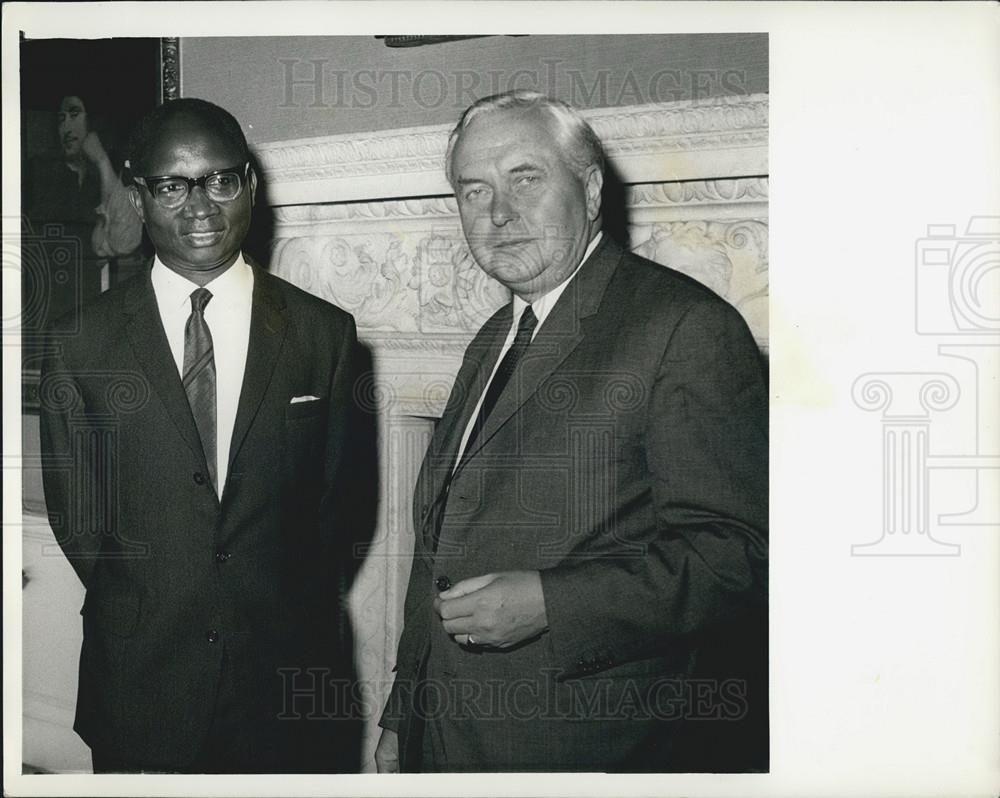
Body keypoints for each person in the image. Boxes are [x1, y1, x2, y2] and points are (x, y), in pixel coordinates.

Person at [375, 91, 769, 772]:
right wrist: (403, 717)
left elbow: (739, 558)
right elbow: (440, 545)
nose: (499, 213)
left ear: (589, 190)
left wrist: (553, 604)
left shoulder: (685, 328)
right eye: (475, 190)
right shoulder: (494, 338)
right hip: (449, 738)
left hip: (588, 748)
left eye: (525, 178)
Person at [39, 97, 366, 773]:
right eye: (172, 185)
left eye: (221, 180)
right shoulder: (82, 341)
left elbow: (341, 510)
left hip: (287, 689)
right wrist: (160, 594)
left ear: (249, 183)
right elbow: (80, 520)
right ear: (136, 195)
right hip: (141, 685)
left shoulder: (323, 335)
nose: (201, 207)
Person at [23, 93, 143, 344]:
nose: (65, 127)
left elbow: (124, 241)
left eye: (74, 115)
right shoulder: (41, 173)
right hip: (44, 316)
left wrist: (101, 162)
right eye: (60, 119)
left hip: (88, 314)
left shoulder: (100, 178)